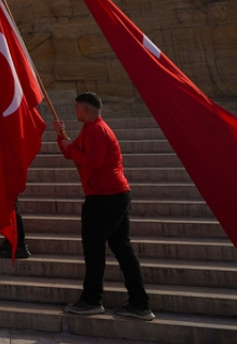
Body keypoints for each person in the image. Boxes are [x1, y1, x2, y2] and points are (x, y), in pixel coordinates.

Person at [57, 92, 153, 321]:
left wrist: (70, 147)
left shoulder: (97, 130)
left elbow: (93, 161)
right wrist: (62, 138)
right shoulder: (91, 129)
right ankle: (139, 303)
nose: (75, 111)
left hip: (106, 197)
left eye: (77, 108)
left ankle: (92, 299)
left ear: (85, 109)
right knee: (121, 247)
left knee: (94, 247)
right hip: (112, 194)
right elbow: (74, 154)